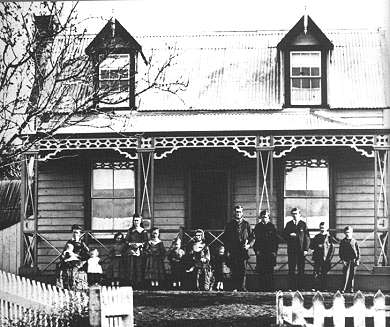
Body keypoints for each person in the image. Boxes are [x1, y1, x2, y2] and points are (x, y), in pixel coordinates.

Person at [222, 205, 252, 291]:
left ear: (242, 213)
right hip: (233, 251)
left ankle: (242, 287)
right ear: (234, 213)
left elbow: (252, 237)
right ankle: (234, 287)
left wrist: (248, 245)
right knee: (234, 270)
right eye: (236, 212)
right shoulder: (229, 225)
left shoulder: (246, 224)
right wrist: (227, 250)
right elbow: (225, 238)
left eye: (240, 212)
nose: (238, 213)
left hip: (243, 251)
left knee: (243, 270)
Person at [283, 208, 310, 290]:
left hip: (301, 251)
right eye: (293, 214)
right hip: (292, 250)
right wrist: (289, 236)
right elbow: (284, 235)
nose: (294, 215)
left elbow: (307, 238)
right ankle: (291, 287)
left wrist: (306, 249)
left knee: (301, 269)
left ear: (299, 215)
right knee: (291, 269)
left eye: (296, 214)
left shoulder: (303, 224)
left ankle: (300, 287)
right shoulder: (289, 224)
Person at [252, 209, 278, 291]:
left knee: (270, 270)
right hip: (261, 252)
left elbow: (275, 241)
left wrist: (274, 251)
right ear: (261, 218)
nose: (264, 219)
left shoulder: (272, 227)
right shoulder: (258, 227)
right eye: (263, 217)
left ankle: (270, 288)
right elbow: (254, 240)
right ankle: (262, 287)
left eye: (266, 217)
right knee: (261, 270)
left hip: (270, 252)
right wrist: (257, 251)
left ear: (268, 218)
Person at [59, 224, 89, 290]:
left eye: (77, 232)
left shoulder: (82, 244)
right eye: (73, 232)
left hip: (78, 261)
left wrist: (78, 257)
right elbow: (64, 252)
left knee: (73, 272)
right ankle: (66, 287)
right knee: (64, 269)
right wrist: (64, 257)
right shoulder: (69, 242)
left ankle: (74, 287)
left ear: (80, 234)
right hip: (69, 261)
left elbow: (87, 255)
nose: (75, 234)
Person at [123, 214, 149, 289]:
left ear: (140, 221)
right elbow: (126, 240)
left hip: (140, 251)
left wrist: (140, 244)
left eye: (137, 220)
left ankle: (139, 283)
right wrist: (130, 244)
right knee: (131, 266)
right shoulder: (130, 231)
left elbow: (146, 241)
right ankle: (131, 282)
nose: (136, 222)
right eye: (134, 220)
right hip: (131, 250)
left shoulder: (143, 231)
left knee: (139, 266)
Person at [310, 222, 334, 291]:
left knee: (324, 273)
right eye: (321, 228)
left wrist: (329, 258)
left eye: (323, 227)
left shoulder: (329, 237)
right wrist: (315, 248)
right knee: (316, 273)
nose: (322, 229)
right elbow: (312, 246)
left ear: (326, 228)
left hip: (326, 258)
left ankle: (324, 287)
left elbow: (332, 249)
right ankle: (315, 287)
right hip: (317, 258)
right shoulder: (317, 236)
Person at [339, 226, 360, 293]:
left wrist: (358, 260)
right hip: (346, 260)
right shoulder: (343, 241)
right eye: (346, 232)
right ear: (344, 233)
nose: (348, 234)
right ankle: (343, 289)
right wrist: (342, 260)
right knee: (345, 275)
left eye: (349, 232)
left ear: (352, 233)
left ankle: (351, 288)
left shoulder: (354, 241)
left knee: (352, 275)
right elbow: (340, 252)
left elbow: (358, 251)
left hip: (353, 260)